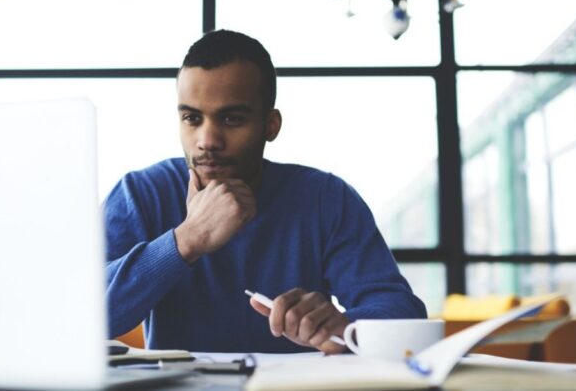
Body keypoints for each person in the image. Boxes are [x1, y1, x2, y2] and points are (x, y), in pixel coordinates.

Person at [104, 29, 426, 354]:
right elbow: (78, 317)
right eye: (192, 118)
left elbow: (402, 312)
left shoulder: (326, 198)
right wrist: (187, 240)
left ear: (271, 125)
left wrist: (346, 329)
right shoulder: (139, 193)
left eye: (231, 119)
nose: (207, 140)